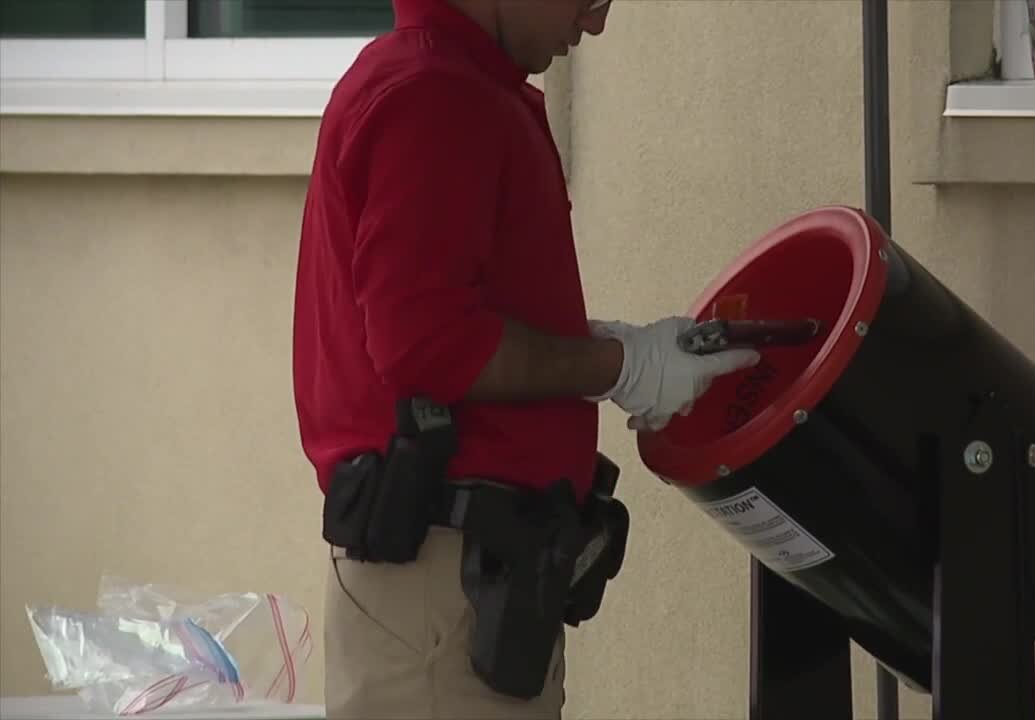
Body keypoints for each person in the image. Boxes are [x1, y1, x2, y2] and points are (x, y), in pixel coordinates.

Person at [291, 0, 761, 718]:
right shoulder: (435, 96)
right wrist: (620, 366)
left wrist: (608, 344)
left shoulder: (451, 83)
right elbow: (428, 344)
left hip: (465, 592)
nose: (597, 21)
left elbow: (447, 318)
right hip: (442, 595)